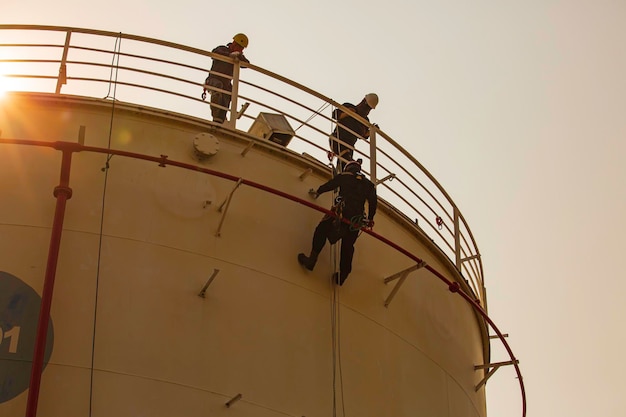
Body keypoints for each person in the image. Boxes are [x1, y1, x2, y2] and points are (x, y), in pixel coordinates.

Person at [298, 160, 377, 286]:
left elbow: (331, 184)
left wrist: (318, 191)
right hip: (356, 220)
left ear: (348, 169)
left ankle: (311, 261)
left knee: (321, 230)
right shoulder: (368, 184)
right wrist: (371, 218)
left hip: (341, 213)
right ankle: (342, 276)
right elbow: (373, 203)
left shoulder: (345, 176)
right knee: (348, 246)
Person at [203, 33, 250, 123]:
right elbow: (214, 53)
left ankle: (220, 120)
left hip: (225, 85)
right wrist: (229, 56)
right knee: (218, 86)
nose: (239, 48)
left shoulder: (239, 55)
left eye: (241, 48)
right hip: (213, 80)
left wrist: (239, 56)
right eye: (238, 46)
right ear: (233, 43)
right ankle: (215, 116)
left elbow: (246, 64)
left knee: (228, 94)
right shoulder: (222, 49)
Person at [329, 93, 378, 170]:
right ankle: (352, 165)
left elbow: (363, 136)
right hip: (337, 139)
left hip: (349, 147)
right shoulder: (349, 106)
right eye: (366, 106)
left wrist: (372, 131)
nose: (366, 109)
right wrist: (347, 113)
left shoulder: (365, 121)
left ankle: (347, 169)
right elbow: (335, 115)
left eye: (368, 108)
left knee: (344, 162)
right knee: (345, 157)